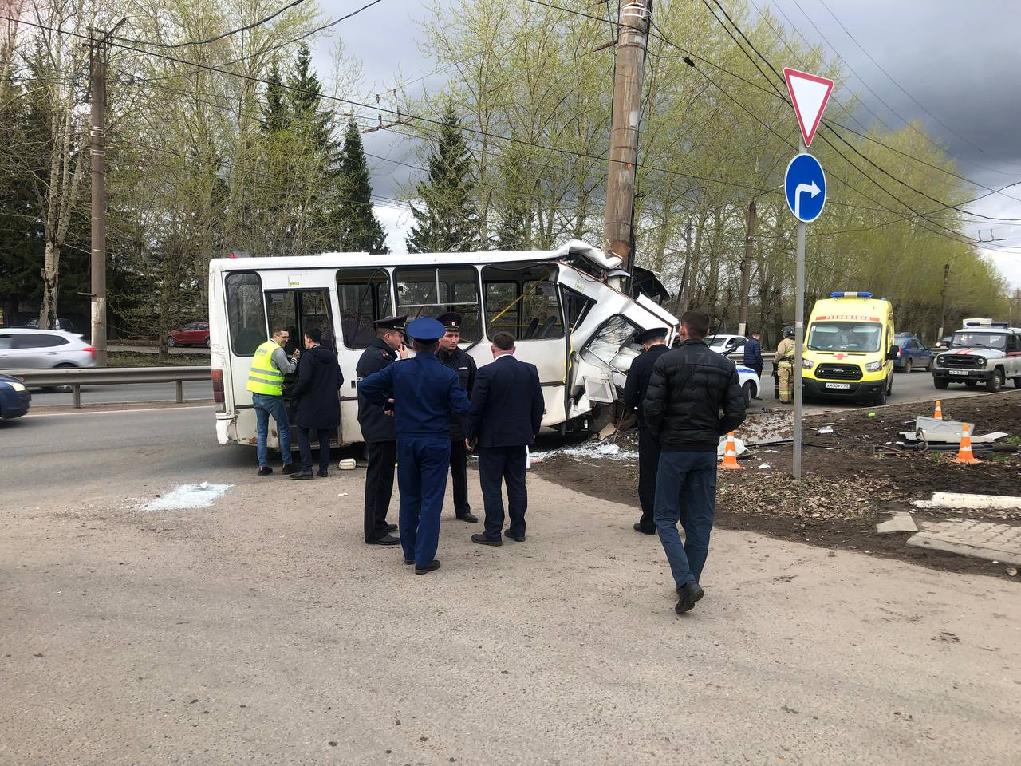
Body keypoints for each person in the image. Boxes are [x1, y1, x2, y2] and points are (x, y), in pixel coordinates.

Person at [644, 310, 746, 614]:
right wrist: (714, 430)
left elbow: (652, 408)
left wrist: (662, 433)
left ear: (683, 330)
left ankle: (686, 582)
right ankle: (690, 581)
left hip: (674, 448)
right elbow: (737, 410)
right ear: (707, 331)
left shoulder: (666, 362)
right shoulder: (725, 366)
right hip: (704, 449)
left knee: (664, 517)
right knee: (700, 519)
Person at [358, 318, 470, 574]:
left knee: (409, 497)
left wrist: (388, 404)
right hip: (436, 441)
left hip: (406, 441)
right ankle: (424, 558)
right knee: (431, 500)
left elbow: (366, 387)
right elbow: (463, 408)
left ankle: (409, 552)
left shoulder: (400, 369)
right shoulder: (447, 374)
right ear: (436, 344)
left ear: (414, 343)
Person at [465, 332, 544, 546]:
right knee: (517, 484)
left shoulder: (486, 372)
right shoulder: (529, 370)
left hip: (492, 440)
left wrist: (470, 435)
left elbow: (476, 408)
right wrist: (532, 431)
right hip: (520, 438)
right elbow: (538, 405)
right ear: (514, 349)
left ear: (493, 349)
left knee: (491, 486)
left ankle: (493, 532)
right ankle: (518, 529)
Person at [356, 316, 408, 546]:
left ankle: (380, 520)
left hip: (384, 425)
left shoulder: (382, 355)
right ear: (388, 336)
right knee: (378, 478)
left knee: (386, 475)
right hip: (379, 424)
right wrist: (403, 363)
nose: (402, 339)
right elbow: (388, 384)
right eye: (399, 335)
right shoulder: (375, 357)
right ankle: (374, 531)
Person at [623, 326, 671, 535]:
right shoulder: (676, 358)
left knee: (649, 472)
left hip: (649, 426)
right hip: (675, 426)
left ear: (645, 344)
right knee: (673, 472)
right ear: (663, 340)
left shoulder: (640, 362)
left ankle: (650, 521)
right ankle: (672, 518)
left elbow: (630, 398)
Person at [436, 311, 479, 524]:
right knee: (437, 473)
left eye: (456, 335)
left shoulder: (467, 360)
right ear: (439, 337)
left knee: (460, 472)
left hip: (460, 428)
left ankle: (462, 509)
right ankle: (433, 509)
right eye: (448, 335)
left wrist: (471, 428)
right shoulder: (431, 360)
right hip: (438, 427)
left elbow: (473, 394)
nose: (453, 340)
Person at [289, 326, 344, 480]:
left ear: (308, 339)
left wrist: (294, 393)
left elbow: (304, 380)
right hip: (328, 403)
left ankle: (307, 468)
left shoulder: (308, 357)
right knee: (324, 434)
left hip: (310, 403)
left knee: (302, 431)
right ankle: (323, 469)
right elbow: (340, 379)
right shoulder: (332, 356)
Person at [247, 326, 299, 476]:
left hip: (257, 394)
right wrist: (295, 358)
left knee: (262, 432)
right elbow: (288, 369)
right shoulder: (277, 350)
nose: (287, 340)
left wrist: (277, 382)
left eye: (288, 337)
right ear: (276, 336)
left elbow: (266, 369)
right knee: (284, 428)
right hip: (271, 396)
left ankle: (263, 467)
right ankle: (287, 464)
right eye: (284, 337)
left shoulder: (262, 347)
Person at [775, 326, 796, 404]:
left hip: (784, 365)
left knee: (784, 382)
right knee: (791, 382)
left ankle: (784, 399)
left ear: (785, 333)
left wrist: (776, 360)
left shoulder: (783, 342)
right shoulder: (797, 342)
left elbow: (780, 353)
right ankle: (790, 398)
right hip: (794, 365)